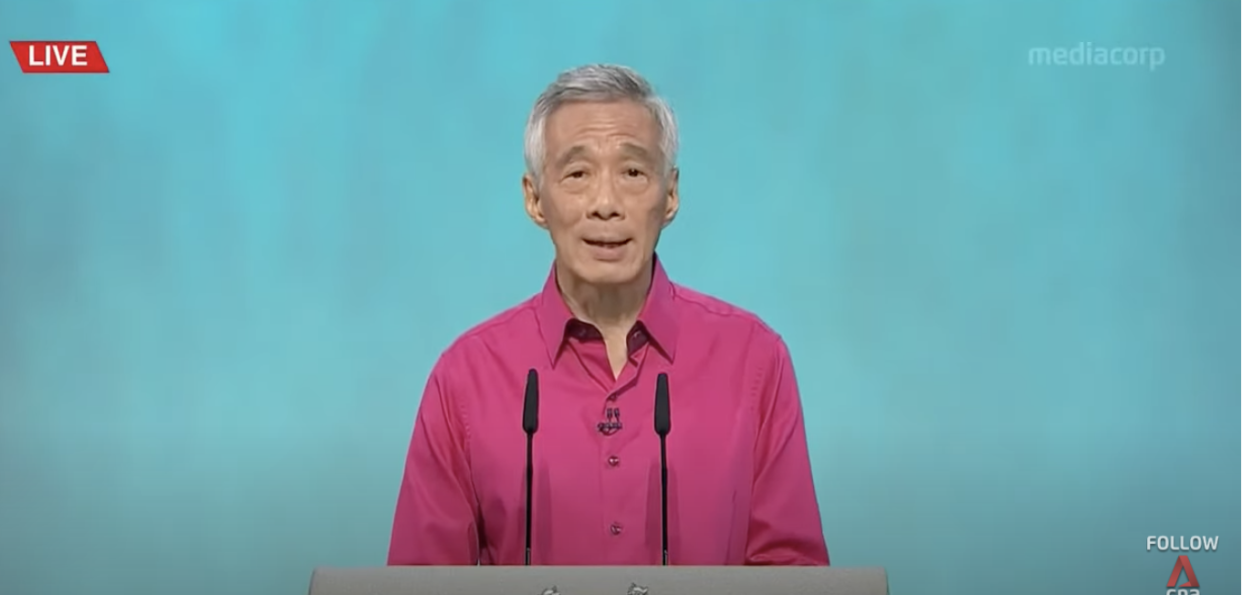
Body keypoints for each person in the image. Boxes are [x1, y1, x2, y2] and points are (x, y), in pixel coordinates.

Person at [387, 64, 828, 566]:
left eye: (633, 172)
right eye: (577, 174)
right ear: (535, 199)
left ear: (671, 196)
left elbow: (794, 575)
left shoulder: (754, 361)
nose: (605, 204)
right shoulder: (466, 378)